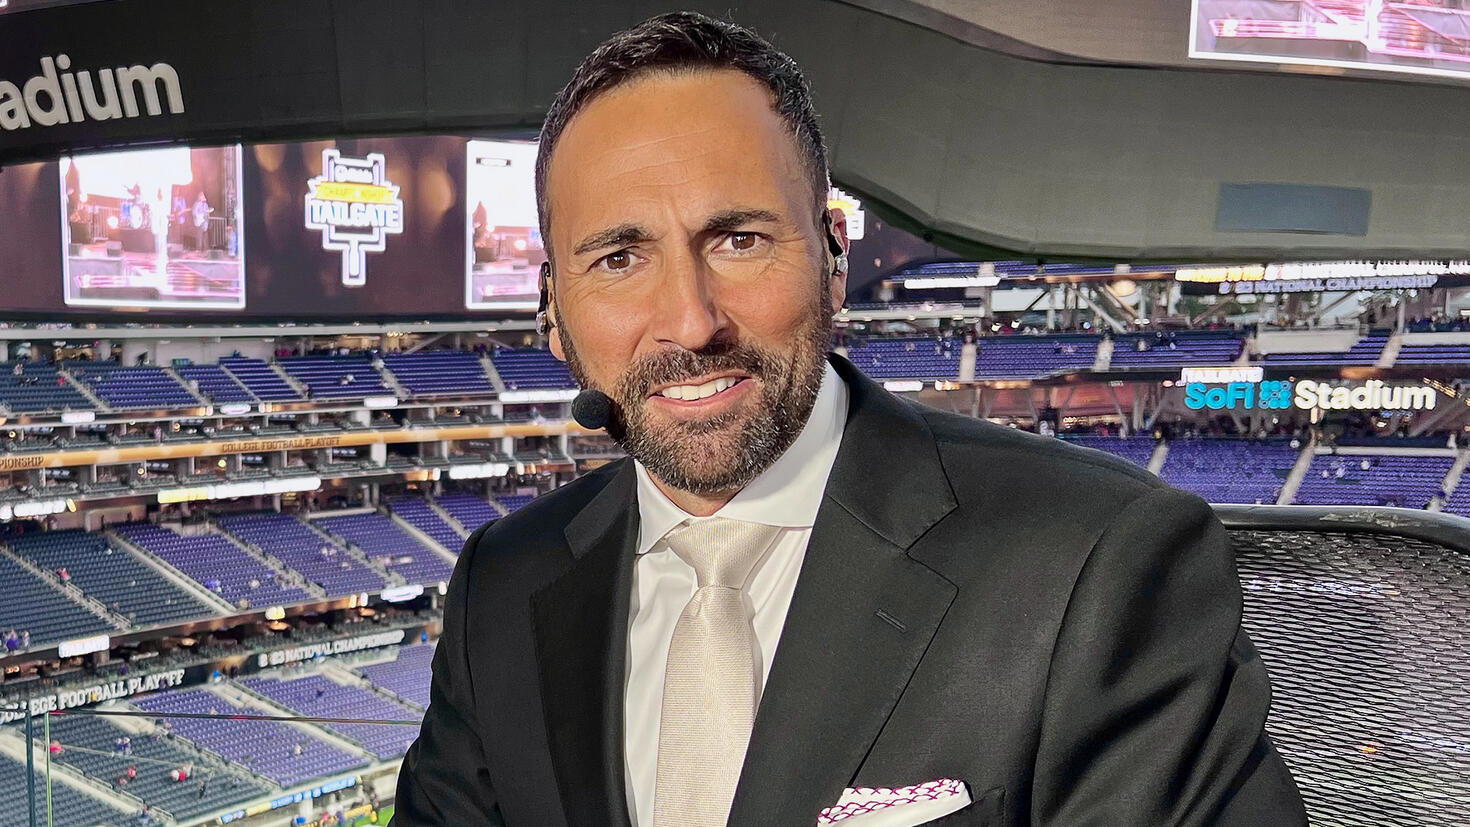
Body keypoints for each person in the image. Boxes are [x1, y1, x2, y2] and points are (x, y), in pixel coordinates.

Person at [395, 12, 1304, 827]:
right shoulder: (500, 584)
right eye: (619, 258)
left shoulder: (1102, 561)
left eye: (739, 240)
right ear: (552, 311)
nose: (691, 321)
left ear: (834, 258)